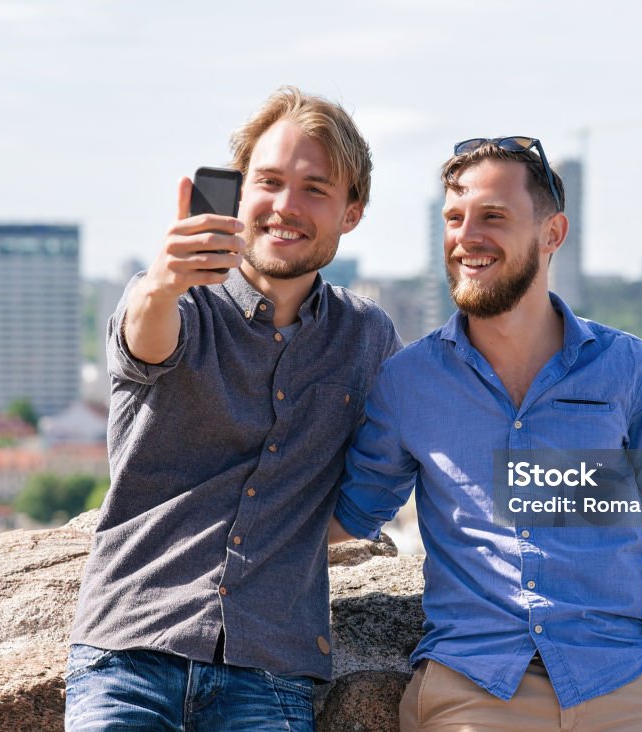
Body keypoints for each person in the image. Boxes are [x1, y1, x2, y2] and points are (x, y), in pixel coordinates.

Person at [330, 137, 642, 731]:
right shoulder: (407, 382)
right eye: (454, 218)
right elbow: (350, 519)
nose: (466, 237)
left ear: (552, 233)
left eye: (493, 217)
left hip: (621, 689)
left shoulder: (633, 371)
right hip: (472, 695)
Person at [66, 86, 400, 731]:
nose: (285, 207)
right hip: (130, 647)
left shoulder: (367, 337)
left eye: (315, 189)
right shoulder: (176, 300)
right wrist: (163, 284)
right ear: (238, 191)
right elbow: (146, 339)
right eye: (269, 181)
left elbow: (399, 459)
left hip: (271, 666)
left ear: (351, 213)